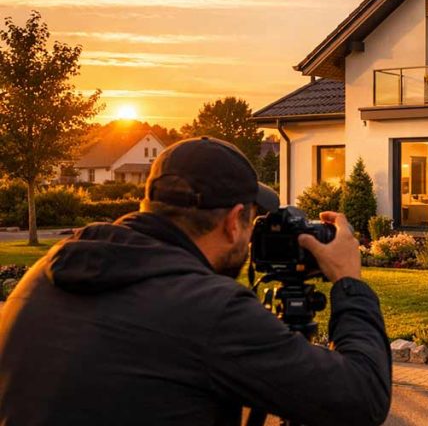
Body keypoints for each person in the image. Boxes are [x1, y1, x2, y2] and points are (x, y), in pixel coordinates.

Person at [0, 137, 391, 426]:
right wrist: (348, 282)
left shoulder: (45, 274)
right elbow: (361, 399)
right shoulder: (208, 310)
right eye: (251, 220)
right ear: (233, 220)